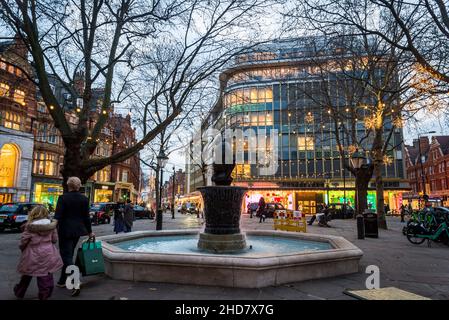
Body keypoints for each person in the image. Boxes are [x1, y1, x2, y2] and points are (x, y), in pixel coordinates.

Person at [54, 176, 93, 296]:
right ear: (79, 185)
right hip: (78, 231)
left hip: (65, 230)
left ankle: (75, 281)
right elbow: (86, 217)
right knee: (69, 255)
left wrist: (51, 227)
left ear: (68, 185)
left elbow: (58, 216)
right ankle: (62, 280)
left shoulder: (63, 198)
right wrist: (90, 231)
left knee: (66, 256)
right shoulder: (84, 199)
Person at [14, 206, 63, 300]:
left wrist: (23, 249)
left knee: (27, 273)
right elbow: (54, 240)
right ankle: (45, 294)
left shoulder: (29, 227)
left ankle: (20, 291)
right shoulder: (51, 226)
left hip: (32, 253)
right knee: (45, 274)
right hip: (48, 252)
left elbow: (23, 241)